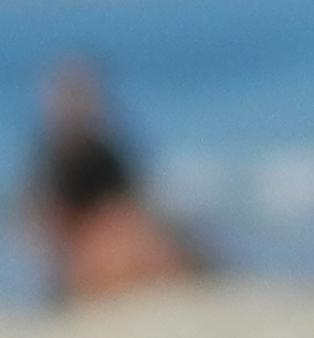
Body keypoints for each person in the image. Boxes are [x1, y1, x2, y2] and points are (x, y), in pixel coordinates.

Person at [21, 57, 210, 304]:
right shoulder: (54, 157)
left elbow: (134, 199)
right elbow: (44, 224)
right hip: (90, 256)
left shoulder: (104, 150)